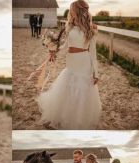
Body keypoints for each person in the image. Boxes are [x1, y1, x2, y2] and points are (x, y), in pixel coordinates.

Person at [37, 0, 101, 129]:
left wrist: (96, 73)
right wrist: (54, 52)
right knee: (68, 86)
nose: (70, 11)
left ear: (77, 10)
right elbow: (65, 45)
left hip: (84, 61)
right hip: (71, 60)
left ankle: (77, 119)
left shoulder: (91, 29)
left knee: (82, 89)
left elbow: (93, 53)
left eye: (72, 9)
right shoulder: (69, 26)